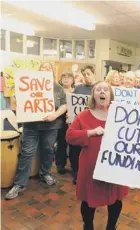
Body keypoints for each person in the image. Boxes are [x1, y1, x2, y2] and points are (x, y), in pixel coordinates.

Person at [66, 81, 140, 230]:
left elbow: (136, 136)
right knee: (88, 202)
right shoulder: (84, 115)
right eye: (98, 90)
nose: (102, 92)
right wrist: (90, 132)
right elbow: (69, 136)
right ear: (93, 95)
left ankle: (111, 226)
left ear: (110, 95)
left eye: (106, 90)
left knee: (115, 200)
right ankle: (88, 225)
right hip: (91, 169)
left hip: (115, 167)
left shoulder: (121, 115)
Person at [5, 62, 67, 200]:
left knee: (48, 150)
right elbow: (17, 100)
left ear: (52, 72)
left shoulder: (58, 88)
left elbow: (63, 105)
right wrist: (17, 96)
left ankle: (45, 173)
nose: (46, 69)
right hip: (31, 126)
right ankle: (19, 183)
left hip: (51, 126)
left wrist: (55, 115)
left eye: (48, 67)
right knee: (27, 152)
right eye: (43, 67)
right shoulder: (27, 84)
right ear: (38, 71)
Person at [69, 65, 97, 184]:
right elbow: (72, 104)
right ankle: (76, 173)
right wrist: (69, 114)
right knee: (75, 149)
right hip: (79, 122)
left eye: (88, 73)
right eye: (84, 74)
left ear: (94, 73)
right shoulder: (78, 88)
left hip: (93, 123)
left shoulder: (99, 87)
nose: (86, 76)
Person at [56, 71, 75, 174]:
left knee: (74, 143)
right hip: (61, 119)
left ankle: (73, 164)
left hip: (74, 120)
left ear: (72, 80)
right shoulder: (58, 91)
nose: (66, 79)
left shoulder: (76, 90)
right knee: (61, 142)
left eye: (68, 77)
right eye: (64, 77)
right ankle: (60, 164)